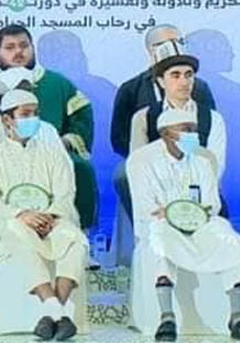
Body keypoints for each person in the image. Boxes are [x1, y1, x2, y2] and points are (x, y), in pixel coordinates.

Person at [126, 109, 240, 342]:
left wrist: (191, 213)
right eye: (186, 129)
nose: (193, 135)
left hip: (200, 224)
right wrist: (173, 214)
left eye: (194, 129)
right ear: (166, 133)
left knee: (232, 240)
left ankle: (237, 318)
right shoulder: (143, 161)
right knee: (159, 240)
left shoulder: (202, 162)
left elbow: (212, 204)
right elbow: (146, 206)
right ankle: (167, 318)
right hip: (163, 223)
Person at [0, 89, 88, 341]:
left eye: (36, 113)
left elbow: (65, 192)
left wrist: (50, 216)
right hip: (12, 221)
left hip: (52, 221)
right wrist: (20, 214)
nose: (33, 119)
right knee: (17, 233)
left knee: (75, 239)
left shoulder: (52, 152)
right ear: (7, 119)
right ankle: (59, 311)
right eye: (25, 114)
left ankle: (51, 312)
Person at [110, 24, 216, 224]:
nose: (176, 47)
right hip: (146, 157)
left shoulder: (199, 88)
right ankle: (149, 225)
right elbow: (119, 138)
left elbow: (206, 129)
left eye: (179, 42)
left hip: (191, 155)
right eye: (168, 43)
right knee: (123, 175)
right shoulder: (130, 89)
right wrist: (156, 158)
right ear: (151, 50)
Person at [0, 25, 97, 230]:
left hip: (51, 151)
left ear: (32, 48)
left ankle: (78, 230)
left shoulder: (57, 83)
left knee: (80, 167)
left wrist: (67, 141)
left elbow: (81, 116)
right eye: (10, 47)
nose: (18, 52)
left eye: (24, 46)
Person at [128, 40, 226, 180]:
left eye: (188, 75)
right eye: (175, 75)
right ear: (161, 81)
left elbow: (215, 167)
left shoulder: (213, 118)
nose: (184, 82)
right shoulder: (143, 118)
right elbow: (138, 166)